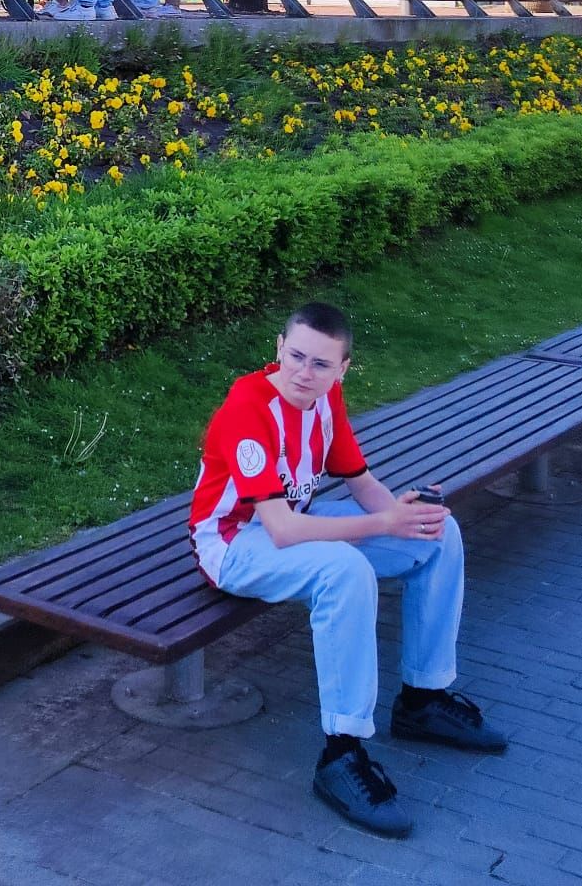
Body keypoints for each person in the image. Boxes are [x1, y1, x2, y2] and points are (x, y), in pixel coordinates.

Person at [189, 301, 505, 839]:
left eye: (320, 364)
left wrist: (401, 518)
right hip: (235, 543)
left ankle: (423, 699)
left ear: (343, 369)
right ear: (278, 349)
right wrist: (382, 522)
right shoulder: (248, 406)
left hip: (296, 524)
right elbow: (282, 531)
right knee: (344, 569)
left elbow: (359, 481)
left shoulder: (325, 397)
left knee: (437, 531)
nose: (303, 373)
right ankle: (342, 752)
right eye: (295, 357)